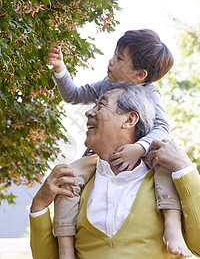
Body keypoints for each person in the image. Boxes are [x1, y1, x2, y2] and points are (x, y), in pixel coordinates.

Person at [47, 29, 190, 258]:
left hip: (140, 152)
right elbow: (73, 95)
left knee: (164, 164)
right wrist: (60, 69)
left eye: (120, 58)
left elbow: (162, 128)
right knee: (69, 182)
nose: (111, 60)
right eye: (114, 54)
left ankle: (172, 224)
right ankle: (66, 247)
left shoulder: (150, 93)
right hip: (98, 157)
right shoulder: (106, 85)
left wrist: (139, 148)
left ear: (139, 74)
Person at [29, 83, 200, 259]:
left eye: (101, 105)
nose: (89, 113)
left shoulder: (165, 181)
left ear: (129, 119)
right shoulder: (75, 184)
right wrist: (39, 205)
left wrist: (184, 168)